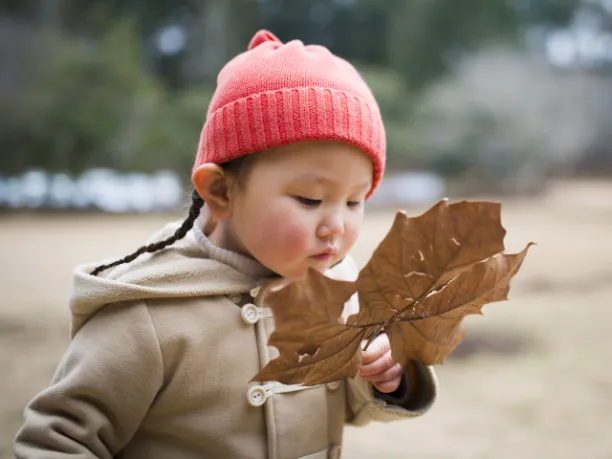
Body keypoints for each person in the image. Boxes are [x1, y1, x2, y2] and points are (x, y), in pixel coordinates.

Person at [14, 30, 437, 459]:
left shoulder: (343, 296)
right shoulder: (148, 315)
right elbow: (58, 440)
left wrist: (386, 378)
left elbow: (355, 412)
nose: (336, 226)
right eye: (310, 199)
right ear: (220, 191)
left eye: (354, 201)